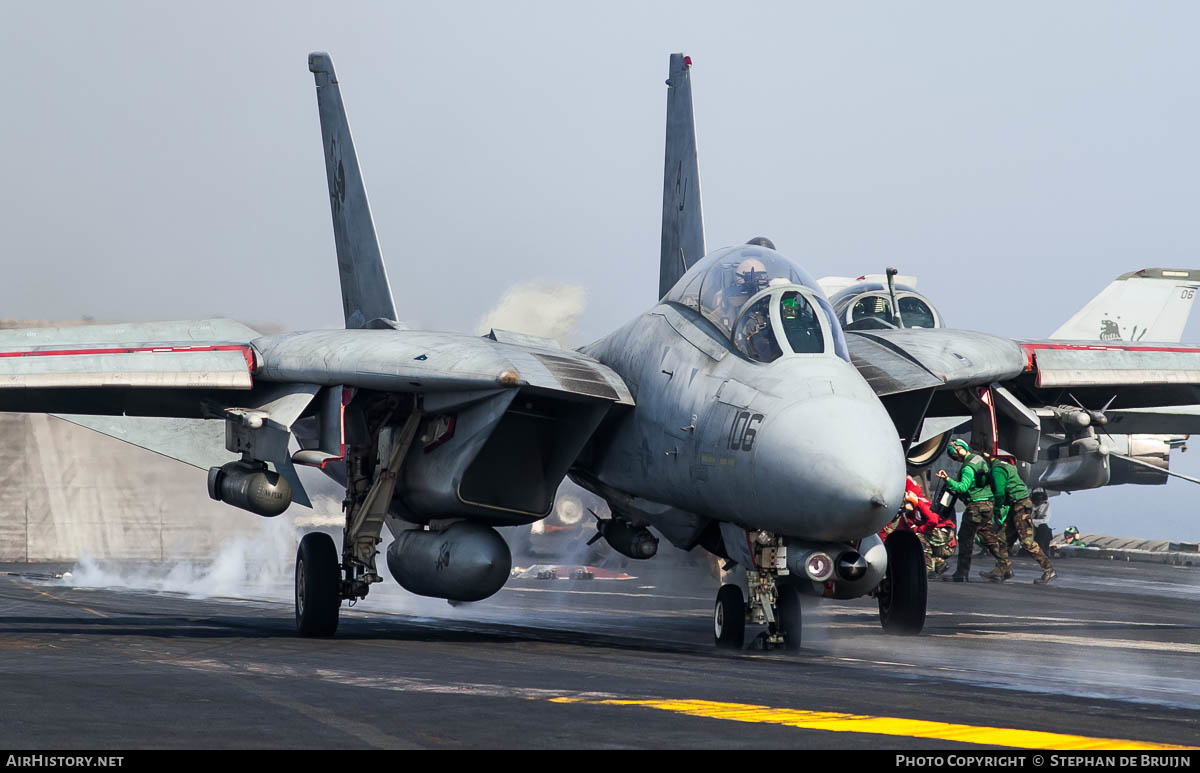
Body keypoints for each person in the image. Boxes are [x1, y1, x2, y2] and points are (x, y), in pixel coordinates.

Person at [937, 439, 1005, 582]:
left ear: (960, 449)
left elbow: (962, 487)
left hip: (976, 506)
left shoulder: (968, 467)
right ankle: (1006, 567)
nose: (954, 458)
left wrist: (947, 479)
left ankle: (962, 573)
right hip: (988, 504)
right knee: (988, 537)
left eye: (954, 454)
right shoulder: (978, 459)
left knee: (965, 538)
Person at [983, 452, 1056, 585]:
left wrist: (998, 510)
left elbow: (999, 493)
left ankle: (1048, 569)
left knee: (1027, 542)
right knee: (1002, 539)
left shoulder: (997, 469)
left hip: (1019, 505)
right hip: (1016, 504)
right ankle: (1003, 570)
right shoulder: (1007, 466)